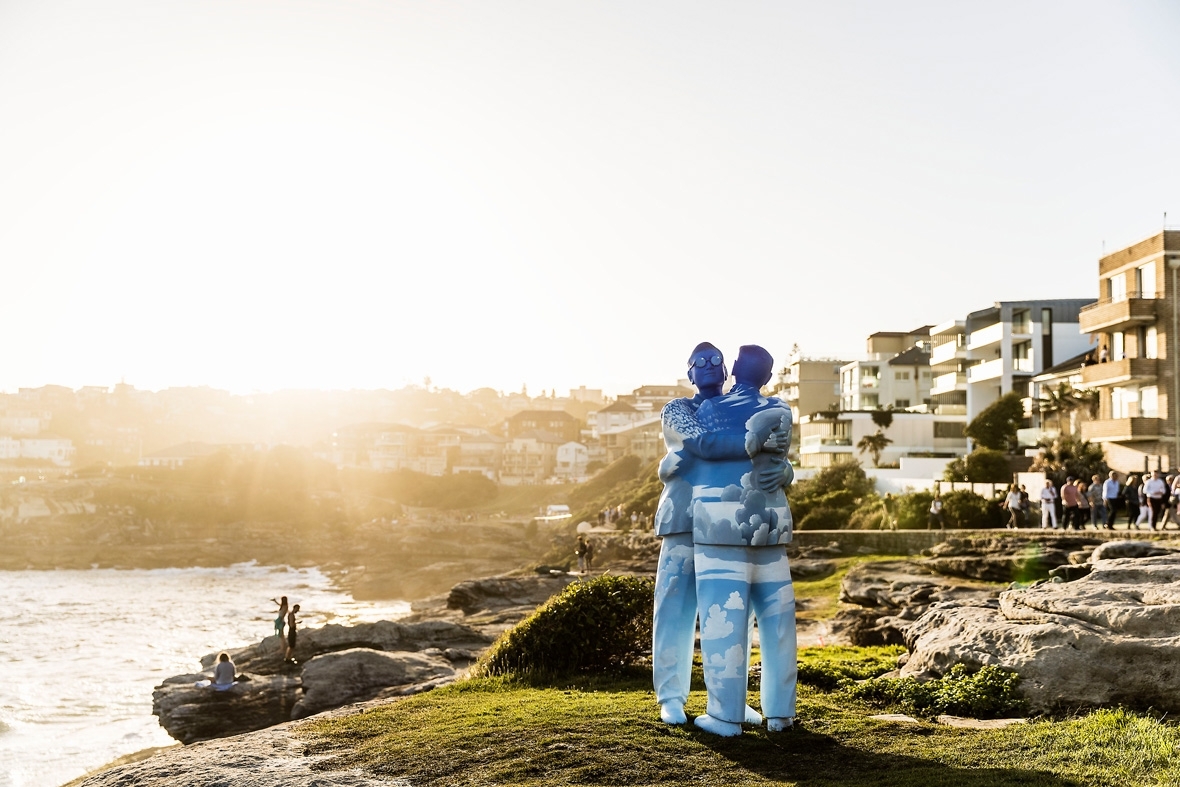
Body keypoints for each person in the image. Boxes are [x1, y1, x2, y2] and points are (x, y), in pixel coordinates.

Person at [652, 343, 785, 728]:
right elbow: (702, 445)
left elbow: (775, 457)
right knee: (673, 609)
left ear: (727, 370)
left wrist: (785, 471)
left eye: (715, 360)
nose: (708, 366)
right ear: (689, 373)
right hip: (682, 519)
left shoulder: (738, 409)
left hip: (729, 523)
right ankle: (671, 698)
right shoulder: (677, 409)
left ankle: (732, 700)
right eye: (699, 362)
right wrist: (755, 440)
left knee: (732, 613)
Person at [684, 344, 796, 736]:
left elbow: (702, 445)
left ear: (732, 369)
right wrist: (782, 467)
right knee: (778, 625)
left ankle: (725, 717)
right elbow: (782, 462)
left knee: (723, 622)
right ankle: (780, 714)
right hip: (772, 526)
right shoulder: (781, 411)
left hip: (722, 526)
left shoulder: (712, 410)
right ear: (767, 377)